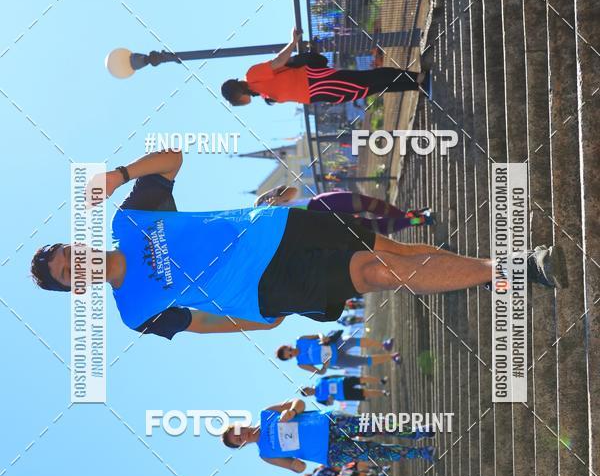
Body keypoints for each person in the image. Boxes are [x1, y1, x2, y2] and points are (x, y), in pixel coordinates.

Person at [30, 150, 568, 338]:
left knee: (391, 253)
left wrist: (118, 174)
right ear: (76, 288)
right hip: (263, 288)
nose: (75, 262)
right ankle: (521, 269)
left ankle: (503, 265)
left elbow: (171, 159)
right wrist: (256, 323)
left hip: (278, 228)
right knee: (374, 272)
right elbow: (198, 323)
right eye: (66, 272)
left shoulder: (129, 219)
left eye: (67, 252)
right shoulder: (135, 313)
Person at [221, 27, 432, 107]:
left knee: (366, 80)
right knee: (367, 88)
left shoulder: (251, 76)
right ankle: (415, 85)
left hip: (315, 81)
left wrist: (293, 42)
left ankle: (416, 78)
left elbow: (278, 62)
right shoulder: (262, 94)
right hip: (316, 94)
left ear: (237, 92)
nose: (239, 103)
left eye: (235, 100)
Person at [220, 397, 435, 470]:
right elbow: (293, 466)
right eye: (239, 440)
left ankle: (417, 431)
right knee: (376, 453)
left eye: (238, 431)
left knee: (374, 425)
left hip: (330, 422)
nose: (242, 436)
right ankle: (421, 453)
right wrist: (296, 467)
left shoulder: (266, 413)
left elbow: (299, 402)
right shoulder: (265, 454)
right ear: (241, 445)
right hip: (329, 453)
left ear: (240, 425)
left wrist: (292, 411)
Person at [255, 183, 435, 235]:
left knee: (368, 203)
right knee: (370, 227)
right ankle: (415, 219)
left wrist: (279, 198)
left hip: (318, 204)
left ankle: (408, 216)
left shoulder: (259, 203)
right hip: (321, 225)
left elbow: (292, 191)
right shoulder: (262, 229)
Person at [277, 333, 400, 372]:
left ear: (287, 346)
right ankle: (392, 357)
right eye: (289, 356)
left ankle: (384, 345)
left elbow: (318, 334)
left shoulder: (300, 340)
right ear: (290, 358)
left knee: (353, 341)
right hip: (335, 360)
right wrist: (325, 365)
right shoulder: (301, 364)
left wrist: (322, 338)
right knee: (363, 361)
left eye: (288, 350)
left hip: (334, 344)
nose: (290, 353)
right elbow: (320, 372)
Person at [301, 375, 389, 405]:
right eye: (307, 394)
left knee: (361, 379)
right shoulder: (318, 399)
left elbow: (333, 376)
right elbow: (329, 404)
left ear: (308, 387)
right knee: (365, 393)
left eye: (307, 390)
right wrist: (330, 399)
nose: (309, 392)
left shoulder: (318, 380)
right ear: (308, 396)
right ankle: (383, 393)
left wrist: (343, 376)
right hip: (344, 394)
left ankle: (381, 381)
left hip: (343, 382)